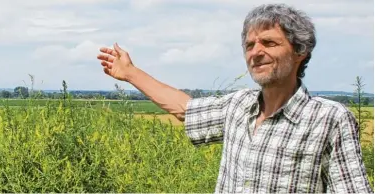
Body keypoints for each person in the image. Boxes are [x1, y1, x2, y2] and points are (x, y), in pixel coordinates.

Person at [97, 3, 373, 193]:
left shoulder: (328, 119)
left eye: (270, 42)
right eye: (250, 45)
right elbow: (185, 108)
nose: (256, 52)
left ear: (300, 52)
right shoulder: (238, 106)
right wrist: (131, 73)